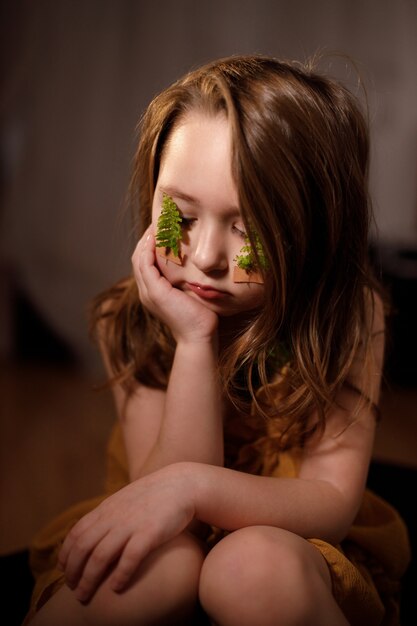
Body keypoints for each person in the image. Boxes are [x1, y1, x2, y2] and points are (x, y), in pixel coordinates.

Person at [25, 54, 410, 626]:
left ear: (317, 228)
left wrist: (192, 486)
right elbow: (161, 502)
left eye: (247, 230)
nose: (205, 259)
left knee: (252, 566)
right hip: (163, 526)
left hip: (292, 541)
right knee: (153, 567)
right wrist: (194, 339)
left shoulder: (348, 315)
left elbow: (328, 505)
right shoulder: (127, 317)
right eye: (180, 216)